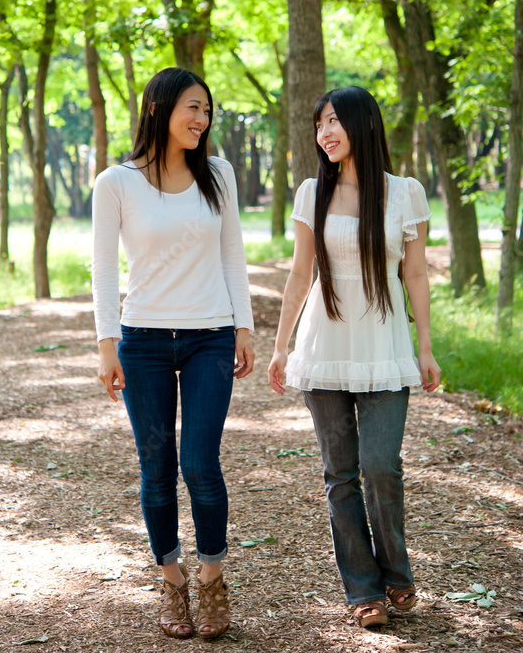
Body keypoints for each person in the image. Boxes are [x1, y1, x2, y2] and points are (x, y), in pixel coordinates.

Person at [268, 86, 441, 629]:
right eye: (320, 123)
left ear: (365, 124)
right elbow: (300, 274)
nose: (326, 132)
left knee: (380, 467)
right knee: (339, 474)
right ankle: (362, 589)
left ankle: (397, 572)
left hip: (385, 343)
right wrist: (280, 346)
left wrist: (427, 347)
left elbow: (414, 274)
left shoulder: (404, 193)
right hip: (325, 344)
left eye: (336, 120)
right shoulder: (310, 193)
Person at [92, 67, 255, 640]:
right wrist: (107, 345)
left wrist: (244, 327)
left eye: (207, 110)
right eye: (192, 107)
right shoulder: (116, 183)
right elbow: (105, 270)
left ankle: (212, 575)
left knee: (200, 463)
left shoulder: (219, 175)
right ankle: (173, 579)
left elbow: (232, 252)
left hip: (210, 336)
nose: (201, 119)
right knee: (156, 469)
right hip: (142, 344)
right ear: (157, 108)